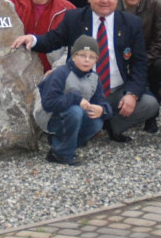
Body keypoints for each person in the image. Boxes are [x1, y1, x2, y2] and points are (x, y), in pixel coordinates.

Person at [12, 0, 160, 142]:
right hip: (83, 90)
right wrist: (33, 39)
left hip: (115, 90)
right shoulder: (75, 18)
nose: (104, 0)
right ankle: (85, 126)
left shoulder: (131, 23)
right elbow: (54, 39)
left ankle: (111, 125)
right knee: (75, 112)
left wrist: (132, 94)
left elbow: (139, 63)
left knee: (150, 104)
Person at [36, 35, 111, 166]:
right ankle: (59, 154)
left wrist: (102, 110)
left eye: (91, 57)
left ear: (96, 60)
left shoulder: (94, 78)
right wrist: (75, 98)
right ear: (74, 55)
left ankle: (61, 142)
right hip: (49, 116)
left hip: (72, 116)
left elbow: (102, 102)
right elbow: (48, 104)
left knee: (96, 122)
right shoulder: (61, 73)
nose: (87, 60)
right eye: (82, 55)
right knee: (75, 111)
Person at [118, 0, 161, 129]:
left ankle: (151, 114)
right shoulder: (111, 5)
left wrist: (140, 62)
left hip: (148, 58)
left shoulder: (157, 6)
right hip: (117, 58)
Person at [6, 0, 76, 71]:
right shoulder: (13, 0)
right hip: (15, 71)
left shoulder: (67, 9)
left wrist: (57, 72)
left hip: (51, 72)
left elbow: (73, 48)